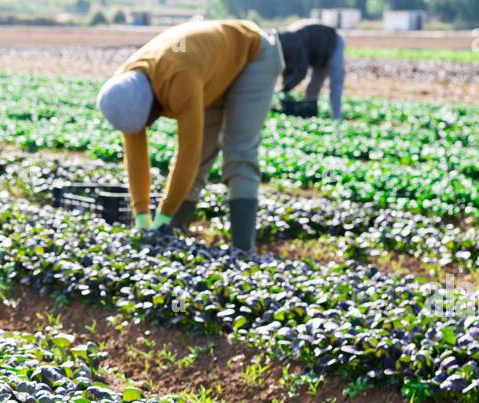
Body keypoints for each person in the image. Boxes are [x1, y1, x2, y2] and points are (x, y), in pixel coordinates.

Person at [95, 18, 282, 254]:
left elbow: (188, 154)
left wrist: (161, 217)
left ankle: (243, 250)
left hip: (251, 54)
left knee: (238, 152)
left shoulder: (179, 81)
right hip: (209, 65)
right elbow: (135, 155)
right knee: (203, 153)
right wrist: (142, 217)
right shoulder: (125, 86)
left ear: (153, 106)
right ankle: (174, 233)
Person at [278, 19, 345, 121]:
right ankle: (311, 111)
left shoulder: (294, 42)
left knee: (336, 81)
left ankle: (337, 115)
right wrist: (285, 85)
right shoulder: (285, 43)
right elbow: (288, 68)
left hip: (333, 41)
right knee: (314, 83)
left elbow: (301, 70)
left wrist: (285, 88)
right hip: (318, 52)